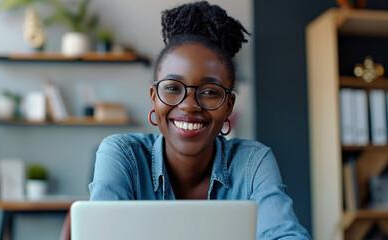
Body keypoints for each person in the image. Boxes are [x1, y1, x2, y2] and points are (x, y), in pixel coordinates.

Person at [89, 1, 311, 239]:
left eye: (209, 91)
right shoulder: (123, 155)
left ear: (228, 106)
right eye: (173, 87)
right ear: (154, 98)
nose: (189, 105)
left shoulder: (252, 163)